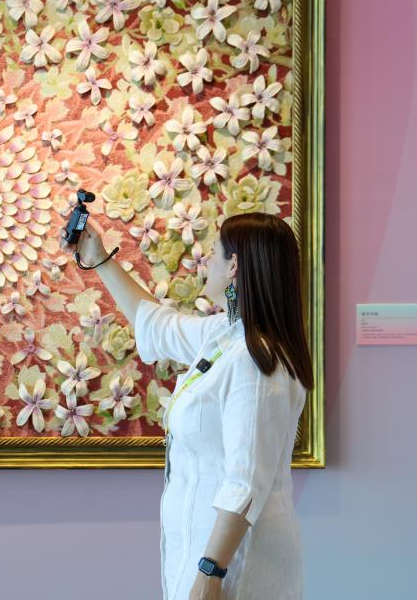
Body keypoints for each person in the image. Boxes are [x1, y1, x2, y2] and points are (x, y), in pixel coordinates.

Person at [60, 211, 313, 600]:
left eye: (213, 252)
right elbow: (157, 324)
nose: (207, 261)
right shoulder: (226, 335)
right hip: (208, 554)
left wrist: (211, 573)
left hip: (235, 563)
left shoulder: (256, 363)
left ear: (234, 266)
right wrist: (99, 259)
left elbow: (244, 483)